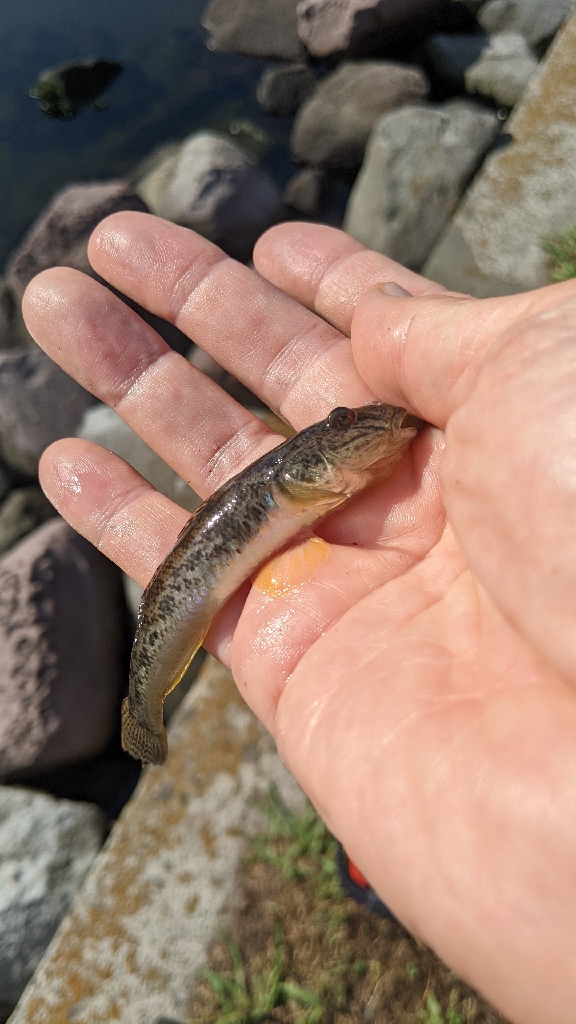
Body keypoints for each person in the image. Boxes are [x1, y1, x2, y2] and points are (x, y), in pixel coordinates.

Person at [22, 212, 576, 1024]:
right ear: (315, 462)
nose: (370, 431)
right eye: (343, 434)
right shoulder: (307, 475)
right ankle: (143, 711)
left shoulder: (338, 469)